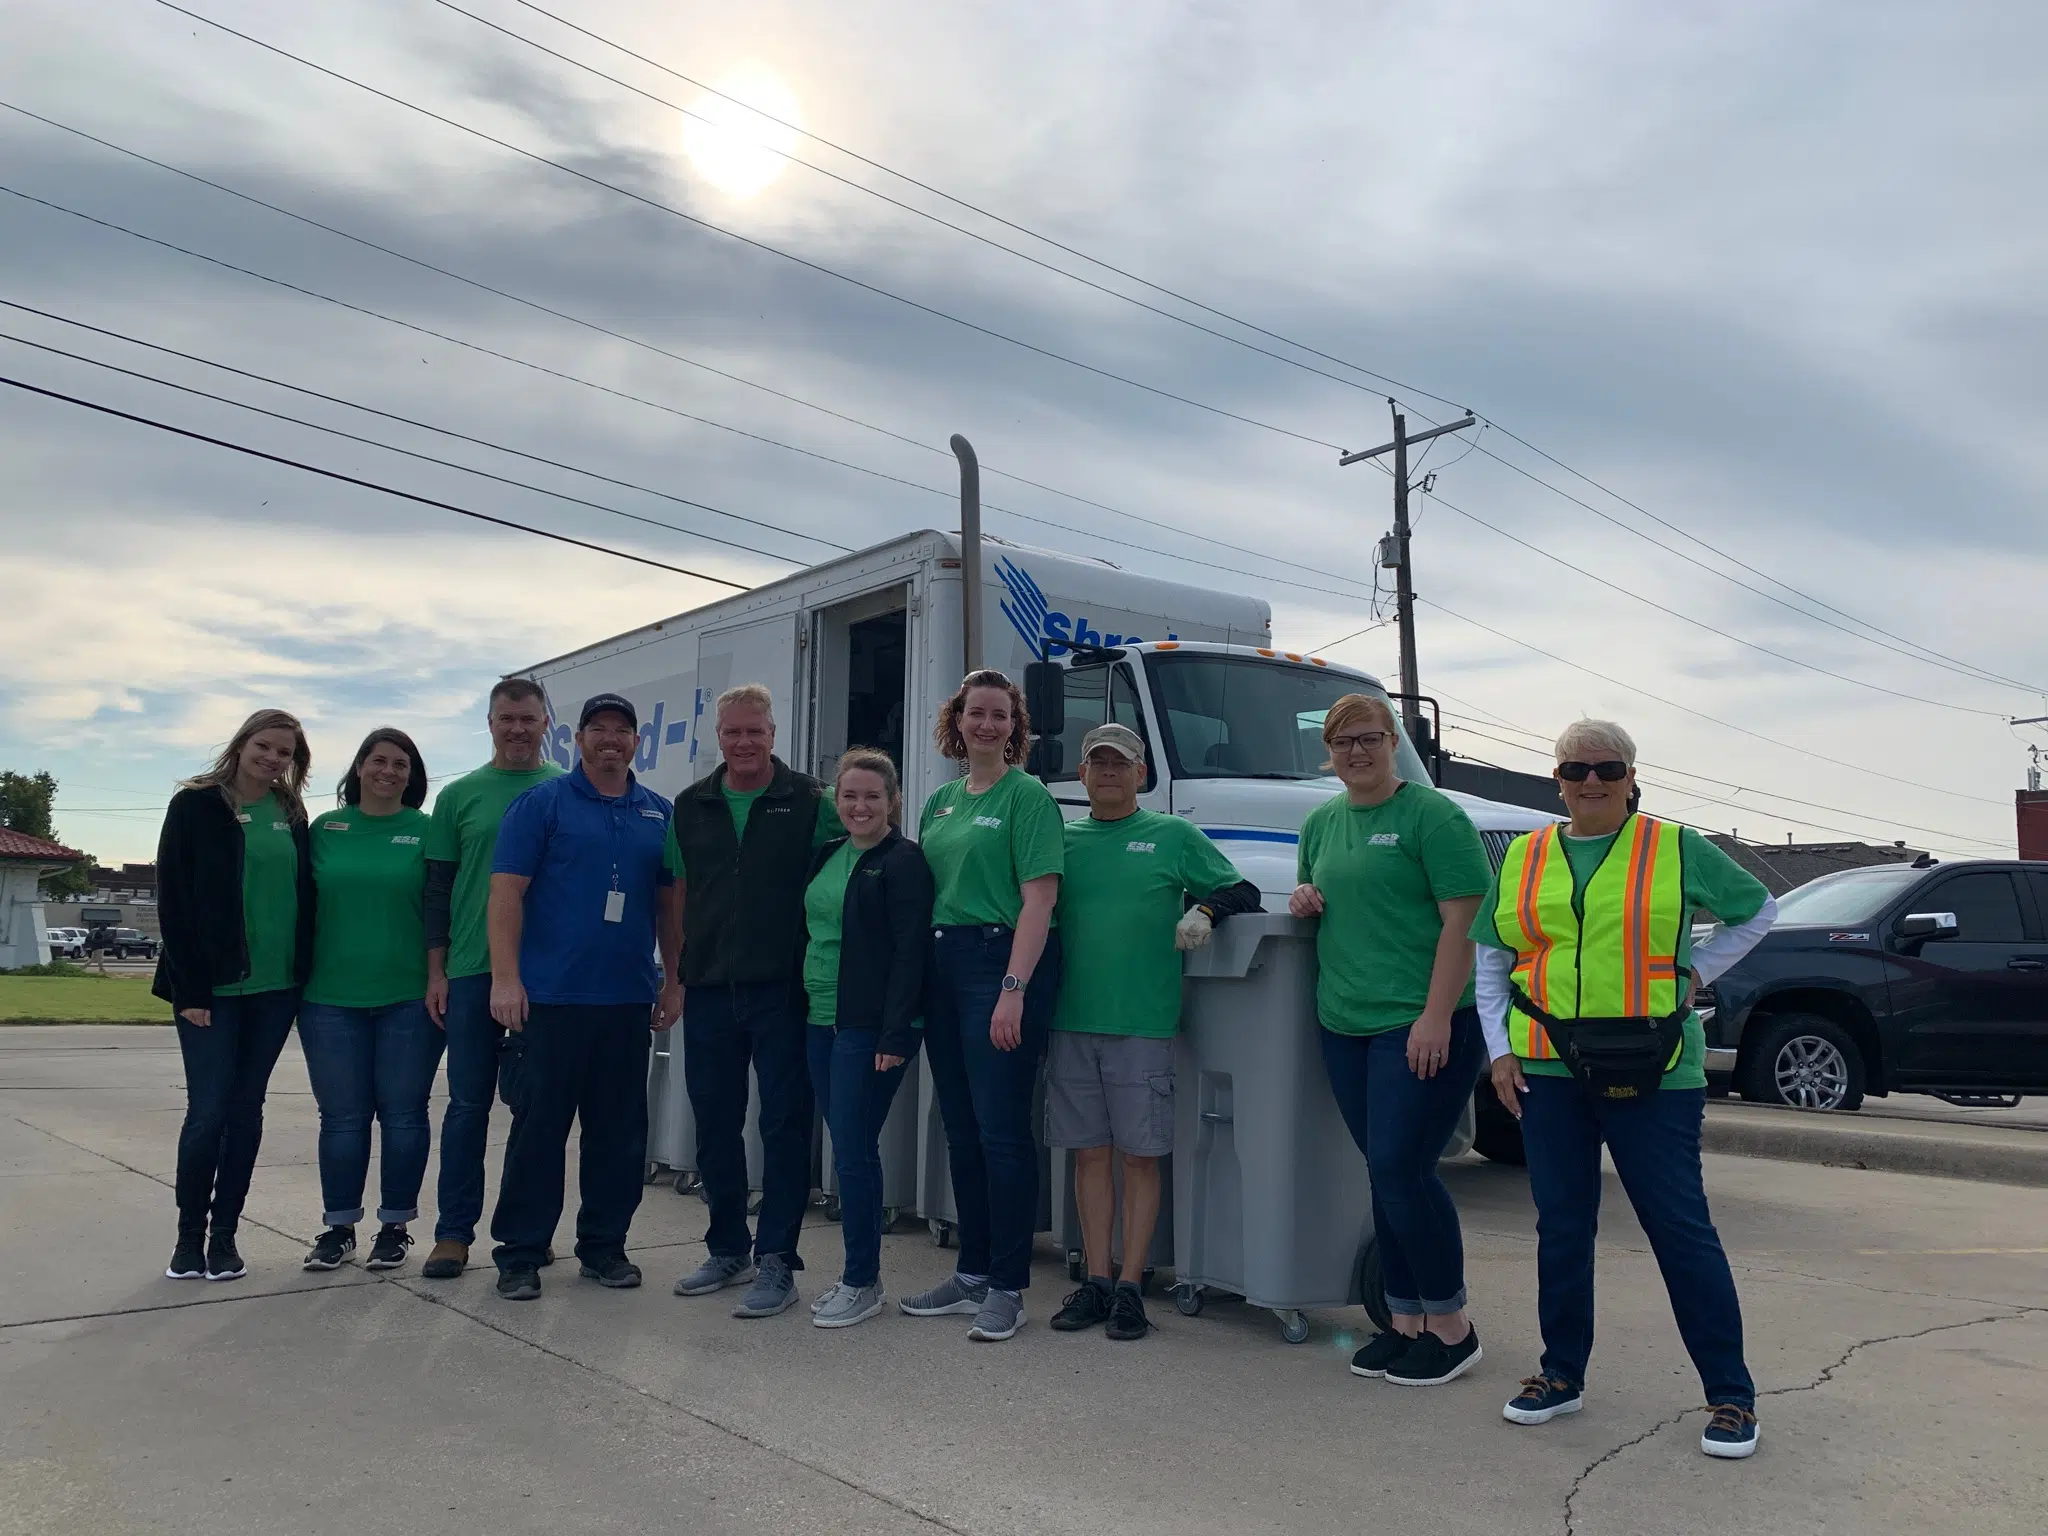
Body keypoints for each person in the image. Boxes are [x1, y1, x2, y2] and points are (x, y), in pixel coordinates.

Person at [1475, 718, 1776, 1459]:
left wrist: (1697, 972)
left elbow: (1759, 910)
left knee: (1678, 1227)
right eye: (1575, 769)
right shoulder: (1525, 856)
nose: (1591, 782)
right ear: (1558, 779)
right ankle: (1561, 1376)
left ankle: (1731, 1396)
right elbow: (1492, 957)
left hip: (1657, 1067)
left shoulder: (1673, 847)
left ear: (1631, 775)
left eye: (1607, 768)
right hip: (1548, 1065)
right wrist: (1498, 1052)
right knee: (1563, 1226)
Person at [1289, 693, 1494, 1387]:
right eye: (1343, 742)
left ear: (1393, 741)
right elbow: (1312, 892)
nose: (1357, 752)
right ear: (1329, 751)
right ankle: (1403, 1320)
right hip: (1345, 1022)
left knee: (1406, 1171)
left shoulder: (1434, 817)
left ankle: (1452, 1327)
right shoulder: (1319, 823)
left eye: (1370, 739)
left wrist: (1435, 1017)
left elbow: (1463, 925)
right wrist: (1304, 899)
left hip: (1423, 1024)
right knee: (1383, 1172)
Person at [1045, 723, 1259, 1341]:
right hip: (1071, 1020)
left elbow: (1239, 889)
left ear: (1141, 775)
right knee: (1089, 1156)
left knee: (1139, 1158)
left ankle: (1133, 1286)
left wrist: (1206, 909)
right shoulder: (1062, 841)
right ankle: (1099, 1280)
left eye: (1121, 763)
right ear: (1082, 775)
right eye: (1098, 763)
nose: (1108, 772)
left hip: (1143, 1023)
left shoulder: (1172, 835)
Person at [485, 693, 681, 1301]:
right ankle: (519, 1253)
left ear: (637, 741)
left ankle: (604, 1247)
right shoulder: (540, 804)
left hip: (625, 1000)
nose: (612, 740)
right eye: (599, 729)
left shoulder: (658, 813)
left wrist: (673, 978)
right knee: (539, 1131)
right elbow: (507, 895)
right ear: (577, 739)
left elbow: (671, 905)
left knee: (619, 1134)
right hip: (551, 999)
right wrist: (506, 978)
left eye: (623, 731)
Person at [665, 684, 842, 1319]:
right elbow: (678, 896)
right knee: (715, 1122)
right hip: (710, 988)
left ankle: (777, 1260)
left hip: (783, 990)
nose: (744, 742)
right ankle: (727, 1248)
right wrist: (675, 975)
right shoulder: (691, 805)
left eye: (755, 732)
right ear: (719, 736)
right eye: (733, 732)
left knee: (783, 1124)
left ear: (773, 734)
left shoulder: (810, 804)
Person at [900, 669, 1064, 1343]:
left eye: (1000, 715)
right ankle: (970, 1273)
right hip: (943, 966)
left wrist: (1013, 991)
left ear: (1015, 726)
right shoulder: (939, 802)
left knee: (1002, 1131)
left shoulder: (1027, 798)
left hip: (1000, 966)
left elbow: (1040, 900)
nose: (987, 725)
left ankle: (1009, 1285)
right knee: (961, 1129)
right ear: (957, 721)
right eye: (976, 714)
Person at [153, 709, 317, 1284]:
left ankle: (225, 1237)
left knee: (246, 1113)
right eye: (265, 746)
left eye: (286, 753)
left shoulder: (292, 813)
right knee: (208, 1113)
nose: (273, 759)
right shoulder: (197, 804)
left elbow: (305, 897)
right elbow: (173, 901)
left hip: (276, 990)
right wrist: (190, 988)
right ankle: (188, 1238)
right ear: (242, 744)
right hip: (210, 992)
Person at [420, 678, 563, 1280]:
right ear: (489, 723)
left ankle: (528, 1233)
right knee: (467, 1107)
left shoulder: (563, 789)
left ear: (546, 723)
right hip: (474, 972)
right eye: (507, 719)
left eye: (529, 719)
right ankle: (453, 1235)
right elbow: (437, 889)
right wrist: (437, 970)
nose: (518, 730)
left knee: (538, 1114)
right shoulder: (460, 797)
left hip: (545, 977)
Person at [298, 728, 443, 1274]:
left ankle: (394, 1227)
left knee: (404, 1115)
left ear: (413, 775)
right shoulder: (324, 830)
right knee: (341, 1119)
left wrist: (439, 975)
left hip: (409, 996)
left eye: (401, 764)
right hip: (328, 998)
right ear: (359, 767)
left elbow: (439, 910)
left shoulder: (427, 832)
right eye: (379, 761)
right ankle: (338, 1228)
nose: (389, 771)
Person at [800, 748, 934, 1328]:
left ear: (893, 802)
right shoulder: (826, 855)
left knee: (853, 1150)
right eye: (849, 796)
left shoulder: (904, 861)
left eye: (872, 797)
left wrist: (896, 1031)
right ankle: (858, 1276)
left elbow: (912, 952)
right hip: (818, 1019)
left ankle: (861, 1281)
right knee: (844, 1145)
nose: (859, 806)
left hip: (867, 1027)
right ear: (837, 801)